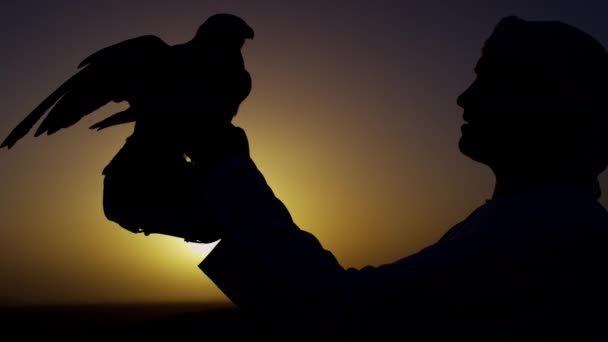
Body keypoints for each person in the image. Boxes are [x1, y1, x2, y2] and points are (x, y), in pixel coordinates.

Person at [106, 16, 608, 339]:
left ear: (554, 103)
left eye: (492, 79)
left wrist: (221, 159)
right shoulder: (533, 220)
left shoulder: (554, 225)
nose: (465, 98)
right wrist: (223, 220)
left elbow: (347, 319)